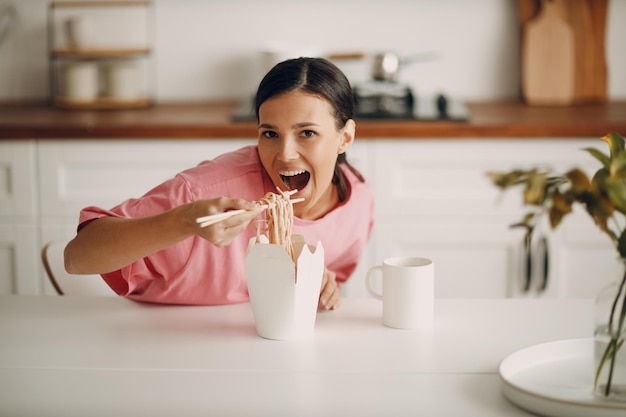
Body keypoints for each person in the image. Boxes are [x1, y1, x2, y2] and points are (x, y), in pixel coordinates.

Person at [64, 57, 375, 310]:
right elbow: (77, 257)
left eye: (307, 133)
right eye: (270, 134)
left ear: (344, 137)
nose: (285, 154)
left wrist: (319, 283)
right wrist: (185, 221)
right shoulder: (206, 193)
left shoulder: (357, 203)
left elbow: (328, 281)